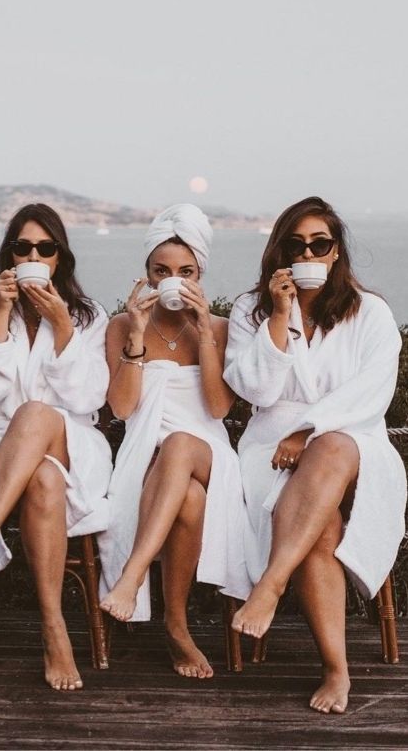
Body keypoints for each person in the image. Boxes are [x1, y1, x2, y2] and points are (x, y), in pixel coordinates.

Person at [224, 196, 406, 714]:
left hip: (356, 443)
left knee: (333, 444)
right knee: (320, 526)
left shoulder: (370, 311)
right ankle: (336, 669)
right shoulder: (251, 310)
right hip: (269, 449)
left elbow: (375, 389)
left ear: (335, 251)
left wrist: (309, 429)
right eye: (295, 244)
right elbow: (253, 389)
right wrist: (279, 318)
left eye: (319, 243)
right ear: (279, 251)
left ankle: (271, 583)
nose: (307, 252)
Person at [0, 203, 112, 691]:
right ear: (10, 254)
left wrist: (64, 328)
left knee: (38, 415)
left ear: (60, 257)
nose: (34, 255)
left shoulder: (88, 315)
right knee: (44, 480)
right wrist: (3, 314)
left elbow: (89, 397)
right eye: (23, 246)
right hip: (0, 447)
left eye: (45, 248)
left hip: (74, 440)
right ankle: (54, 628)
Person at [98, 204, 250, 679]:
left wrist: (205, 334)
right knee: (185, 496)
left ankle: (132, 576)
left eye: (185, 272)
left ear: (200, 273)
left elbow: (219, 409)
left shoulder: (221, 329)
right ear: (146, 274)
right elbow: (122, 409)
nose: (174, 280)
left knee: (183, 443)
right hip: (147, 458)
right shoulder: (122, 327)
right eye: (161, 271)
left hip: (206, 451)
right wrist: (137, 336)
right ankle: (176, 625)